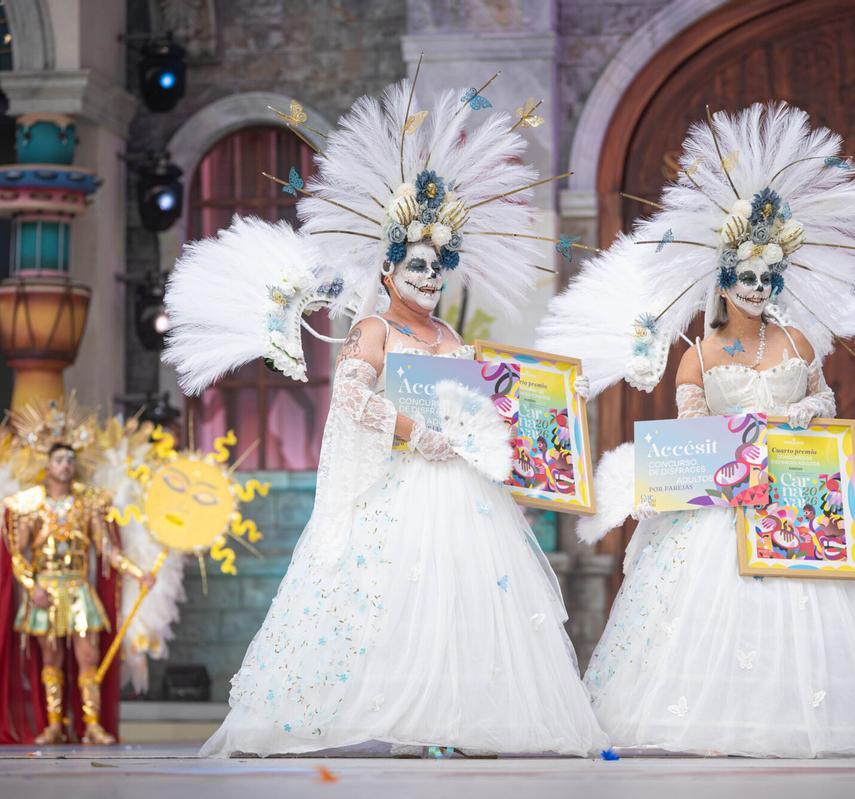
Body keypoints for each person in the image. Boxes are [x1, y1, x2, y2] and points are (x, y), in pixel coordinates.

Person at [165, 79, 606, 757]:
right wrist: (413, 431)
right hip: (401, 484)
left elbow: (480, 404)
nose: (430, 280)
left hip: (462, 493)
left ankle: (460, 720)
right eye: (418, 267)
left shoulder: (452, 340)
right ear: (392, 267)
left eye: (438, 270)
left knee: (462, 606)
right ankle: (408, 720)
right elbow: (350, 395)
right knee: (401, 603)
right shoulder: (371, 327)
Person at [540, 103, 855, 757]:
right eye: (746, 276)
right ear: (724, 278)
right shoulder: (700, 352)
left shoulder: (799, 336)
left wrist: (806, 412)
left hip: (799, 492)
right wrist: (730, 432)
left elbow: (824, 397)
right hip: (726, 500)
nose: (758, 286)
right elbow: (691, 431)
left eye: (768, 276)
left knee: (809, 609)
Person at [3, 435, 154, 745]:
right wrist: (33, 588)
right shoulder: (32, 505)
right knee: (51, 658)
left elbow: (108, 549)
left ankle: (92, 725)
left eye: (70, 460)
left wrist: (138, 573)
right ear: (48, 465)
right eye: (59, 460)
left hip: (79, 590)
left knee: (89, 656)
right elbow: (18, 555)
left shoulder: (88, 504)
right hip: (46, 590)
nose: (66, 465)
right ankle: (54, 724)